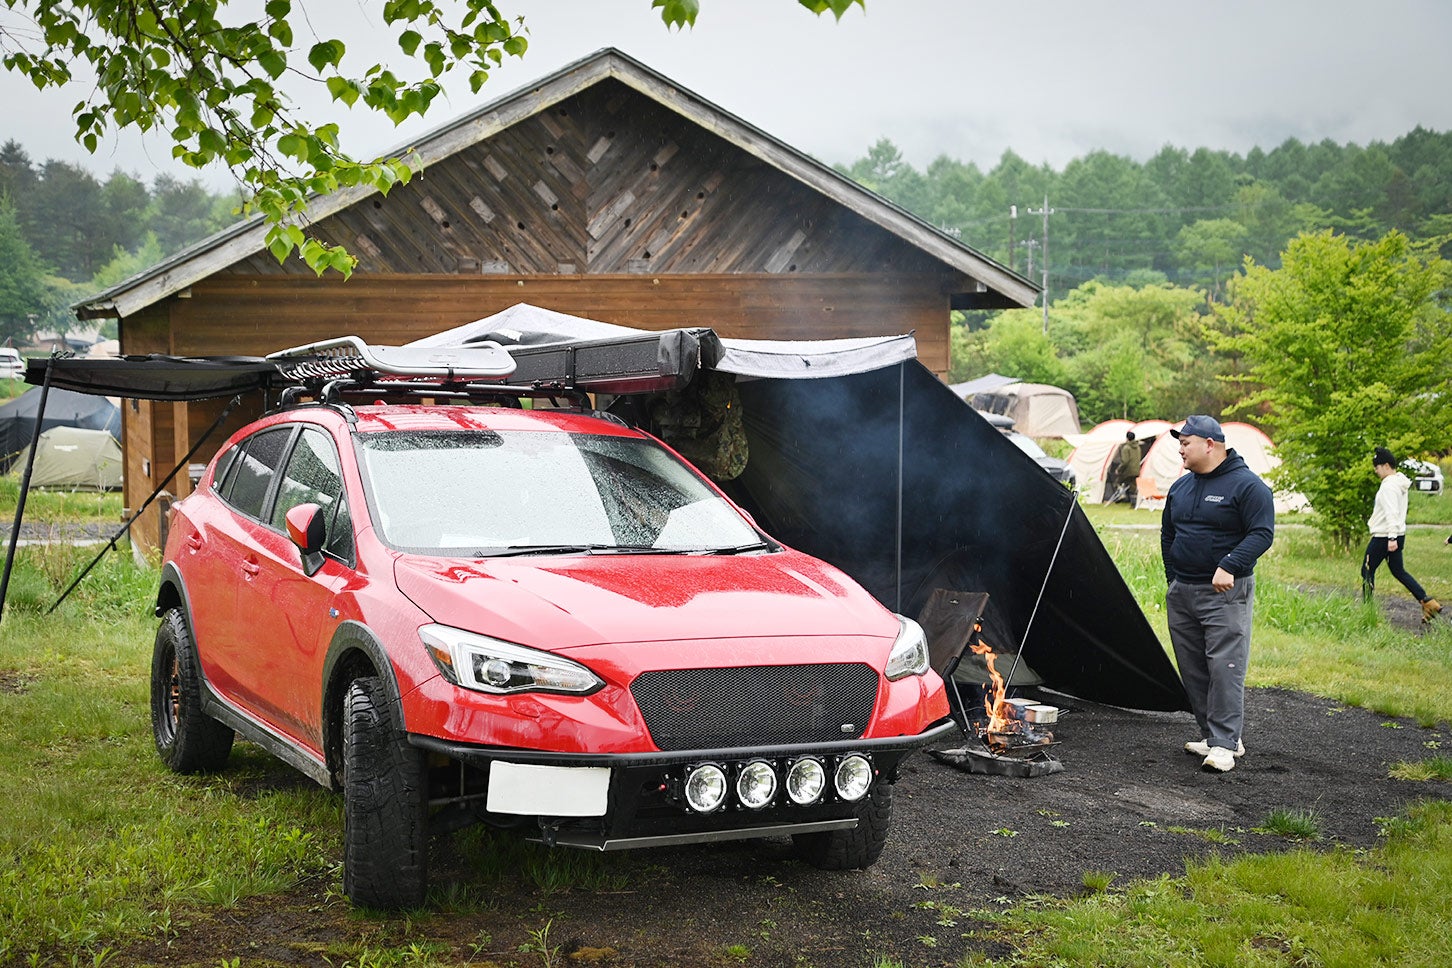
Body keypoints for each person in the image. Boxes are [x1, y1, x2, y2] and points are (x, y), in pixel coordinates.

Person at [1160, 415, 1275, 773]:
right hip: (1183, 590)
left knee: (1225, 667)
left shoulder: (1247, 486)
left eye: (1186, 442)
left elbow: (1261, 533)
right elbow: (1168, 534)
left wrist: (1229, 564)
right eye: (1179, 443)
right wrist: (1172, 579)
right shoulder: (1181, 487)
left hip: (1224, 591)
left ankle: (1225, 745)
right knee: (1192, 668)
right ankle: (1215, 734)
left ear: (1210, 444)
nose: (1180, 448)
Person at [1363, 447, 1441, 623]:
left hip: (1385, 536)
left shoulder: (1389, 486)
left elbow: (1392, 513)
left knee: (1367, 570)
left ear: (1386, 465)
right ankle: (1427, 602)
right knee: (1398, 571)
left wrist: (1391, 538)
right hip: (1397, 534)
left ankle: (1366, 610)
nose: (1376, 470)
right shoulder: (1399, 483)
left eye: (1377, 466)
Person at [1115, 430, 1141, 505]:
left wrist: (1119, 470)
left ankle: (1122, 496)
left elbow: (1125, 461)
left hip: (1128, 471)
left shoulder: (1126, 448)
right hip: (1136, 470)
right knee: (1133, 486)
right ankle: (1133, 501)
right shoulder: (1138, 447)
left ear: (1127, 438)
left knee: (1118, 482)